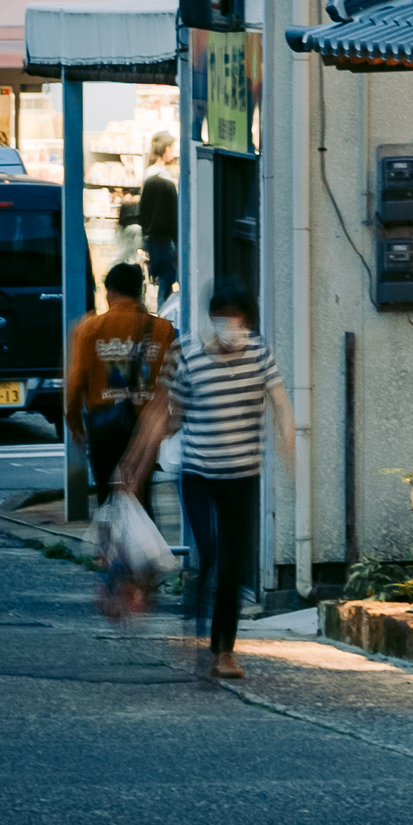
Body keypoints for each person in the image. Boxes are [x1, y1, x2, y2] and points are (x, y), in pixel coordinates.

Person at [122, 284, 293, 681]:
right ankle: (195, 622)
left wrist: (288, 446)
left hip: (243, 476)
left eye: (238, 318)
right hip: (198, 475)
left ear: (247, 321)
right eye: (223, 316)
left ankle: (222, 652)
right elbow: (163, 413)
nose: (230, 325)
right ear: (213, 317)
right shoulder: (187, 354)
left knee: (233, 566)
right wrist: (135, 463)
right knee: (209, 553)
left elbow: (281, 403)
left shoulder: (260, 354)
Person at [65, 261, 173, 504]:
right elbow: (171, 380)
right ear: (140, 292)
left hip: (104, 424)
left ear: (109, 291)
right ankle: (143, 540)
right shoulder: (162, 330)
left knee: (107, 497)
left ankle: (111, 541)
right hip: (146, 426)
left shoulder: (89, 329)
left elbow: (76, 381)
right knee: (141, 496)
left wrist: (74, 422)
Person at [137, 135, 179, 311]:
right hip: (165, 237)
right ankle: (164, 313)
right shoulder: (166, 181)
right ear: (166, 149)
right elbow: (173, 213)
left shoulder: (148, 177)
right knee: (167, 279)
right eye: (172, 147)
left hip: (152, 236)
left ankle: (157, 311)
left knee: (157, 277)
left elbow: (143, 210)